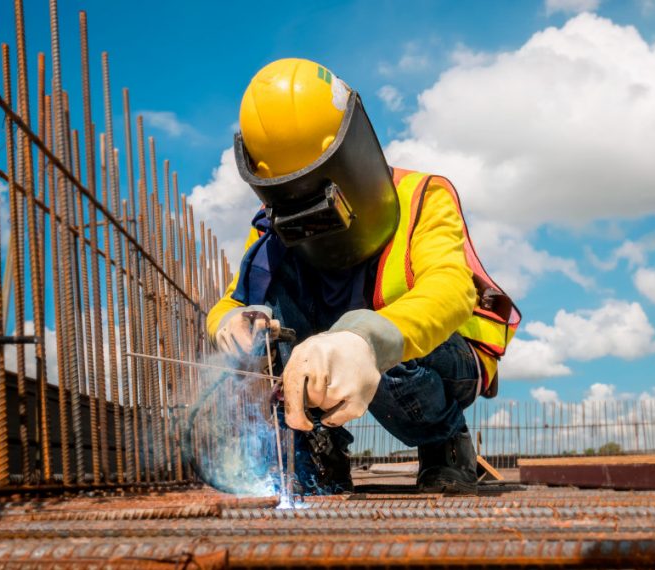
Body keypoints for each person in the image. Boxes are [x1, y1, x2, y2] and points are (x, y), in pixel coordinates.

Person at [207, 58, 520, 495]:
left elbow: (449, 289)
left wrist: (365, 338)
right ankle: (321, 448)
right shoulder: (272, 227)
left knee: (390, 353)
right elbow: (235, 301)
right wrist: (228, 323)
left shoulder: (422, 195)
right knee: (269, 338)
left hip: (438, 357)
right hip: (343, 354)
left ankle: (445, 442)